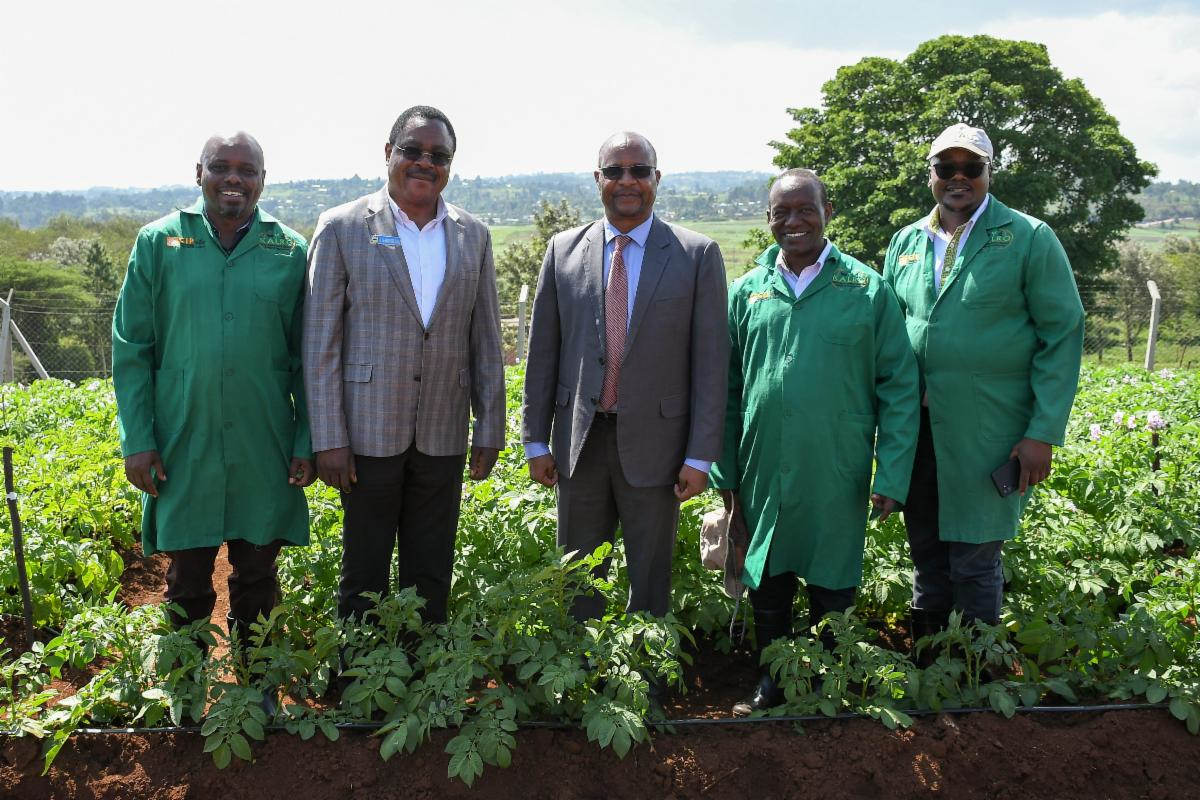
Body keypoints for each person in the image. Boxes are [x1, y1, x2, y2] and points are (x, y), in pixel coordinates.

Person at [710, 169, 920, 715]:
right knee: (769, 574)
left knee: (832, 574)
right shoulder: (748, 291)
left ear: (828, 212)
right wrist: (724, 475)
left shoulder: (866, 288)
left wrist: (891, 473)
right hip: (763, 462)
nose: (794, 221)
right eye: (782, 211)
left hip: (837, 462)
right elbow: (726, 388)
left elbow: (899, 386)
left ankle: (830, 681)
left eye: (806, 209)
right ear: (769, 218)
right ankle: (772, 681)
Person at [112, 132, 315, 670]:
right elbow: (132, 348)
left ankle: (258, 684)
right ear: (197, 173)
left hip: (262, 442)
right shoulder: (160, 243)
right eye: (220, 167)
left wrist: (306, 440)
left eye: (246, 170)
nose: (233, 179)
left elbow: (308, 359)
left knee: (257, 576)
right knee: (187, 580)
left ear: (262, 181)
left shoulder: (290, 251)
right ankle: (185, 687)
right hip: (184, 442)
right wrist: (139, 440)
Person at [882, 123, 1085, 644]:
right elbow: (886, 336)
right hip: (918, 430)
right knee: (926, 554)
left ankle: (977, 675)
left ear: (989, 172)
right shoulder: (906, 241)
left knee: (974, 559)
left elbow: (1062, 334)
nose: (958, 178)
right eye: (945, 168)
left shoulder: (1027, 237)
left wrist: (1042, 432)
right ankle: (932, 664)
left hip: (989, 430)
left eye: (971, 168)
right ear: (930, 175)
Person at [303, 105, 504, 626]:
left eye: (438, 156)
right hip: (367, 433)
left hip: (442, 429)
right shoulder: (342, 227)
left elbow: (485, 339)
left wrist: (490, 428)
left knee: (432, 566)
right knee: (363, 569)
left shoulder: (472, 235)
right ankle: (358, 682)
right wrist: (329, 437)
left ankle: (426, 680)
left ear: (450, 166)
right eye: (412, 150)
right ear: (388, 153)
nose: (424, 162)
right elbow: (320, 342)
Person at [522, 131, 729, 622]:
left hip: (659, 446)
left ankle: (646, 683)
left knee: (650, 576)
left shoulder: (696, 255)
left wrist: (700, 455)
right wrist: (534, 441)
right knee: (576, 577)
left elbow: (710, 363)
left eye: (639, 170)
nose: (627, 180)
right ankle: (581, 679)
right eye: (614, 171)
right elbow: (542, 354)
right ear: (598, 180)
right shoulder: (563, 251)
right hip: (580, 443)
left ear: (657, 178)